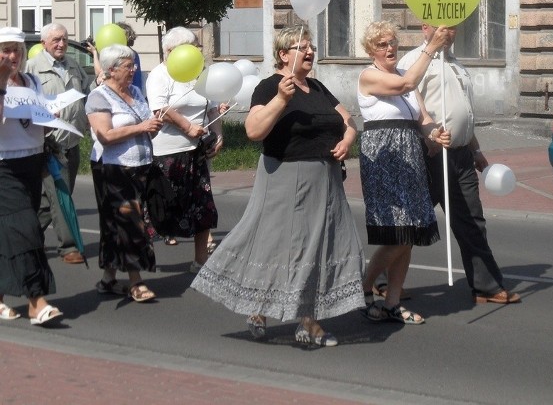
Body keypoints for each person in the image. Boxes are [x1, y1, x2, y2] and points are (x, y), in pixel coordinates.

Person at [192, 25, 364, 347]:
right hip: (285, 176)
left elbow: (347, 120)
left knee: (319, 246)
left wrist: (348, 139)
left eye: (312, 47)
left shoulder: (317, 87)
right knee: (278, 245)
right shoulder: (269, 87)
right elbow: (254, 130)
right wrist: (281, 100)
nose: (310, 52)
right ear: (284, 55)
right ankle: (260, 306)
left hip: (325, 179)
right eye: (303, 47)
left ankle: (307, 322)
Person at [398, 24, 521, 305]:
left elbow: (463, 112)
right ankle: (381, 280)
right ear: (425, 27)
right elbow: (405, 106)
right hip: (431, 154)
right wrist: (426, 139)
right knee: (412, 220)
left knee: (472, 219)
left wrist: (475, 149)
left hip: (461, 154)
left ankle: (485, 286)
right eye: (442, 28)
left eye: (453, 28)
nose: (449, 33)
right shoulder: (414, 62)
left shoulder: (456, 64)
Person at [358, 21, 451, 325]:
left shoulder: (402, 75)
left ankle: (392, 302)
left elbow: (422, 118)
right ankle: (364, 284)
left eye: (393, 43)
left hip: (410, 156)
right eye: (383, 44)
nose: (390, 48)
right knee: (397, 233)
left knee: (410, 233)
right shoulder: (369, 76)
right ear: (371, 49)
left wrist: (435, 133)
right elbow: (406, 85)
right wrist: (431, 47)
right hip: (385, 159)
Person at [86, 44, 163, 303]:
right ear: (111, 70)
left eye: (133, 64)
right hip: (113, 168)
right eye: (128, 65)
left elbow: (145, 127)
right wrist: (141, 126)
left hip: (141, 165)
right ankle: (136, 281)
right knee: (131, 223)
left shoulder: (136, 92)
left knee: (113, 224)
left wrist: (153, 127)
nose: (134, 69)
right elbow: (105, 136)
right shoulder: (99, 97)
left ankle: (108, 278)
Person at [146, 27, 222, 272]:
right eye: (190, 46)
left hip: (196, 150)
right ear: (170, 51)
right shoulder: (160, 74)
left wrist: (219, 134)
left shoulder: (200, 72)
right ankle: (143, 259)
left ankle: (200, 260)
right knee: (160, 208)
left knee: (203, 205)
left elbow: (211, 107)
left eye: (196, 46)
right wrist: (187, 126)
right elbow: (160, 108)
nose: (196, 51)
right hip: (166, 152)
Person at [0, 27, 62, 325]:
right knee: (27, 228)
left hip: (32, 161)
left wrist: (51, 118)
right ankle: (37, 302)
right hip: (4, 167)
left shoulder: (32, 80)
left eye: (16, 50)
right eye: (5, 50)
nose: (12, 56)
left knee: (9, 231)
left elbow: (33, 123)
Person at [27, 23, 91, 265]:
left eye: (64, 39)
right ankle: (69, 247)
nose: (61, 44)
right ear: (44, 43)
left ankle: (26, 239)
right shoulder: (32, 69)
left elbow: (85, 91)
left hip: (72, 141)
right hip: (48, 143)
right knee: (60, 192)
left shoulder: (73, 65)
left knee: (49, 200)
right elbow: (26, 104)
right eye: (55, 40)